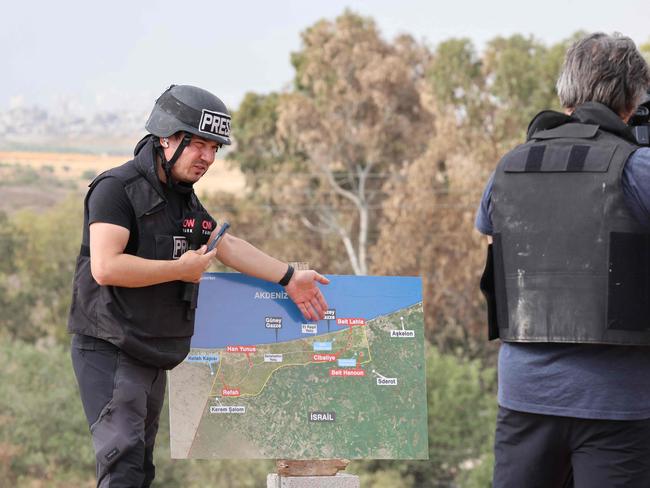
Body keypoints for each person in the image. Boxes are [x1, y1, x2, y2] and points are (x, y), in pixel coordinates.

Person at [68, 84, 330, 488]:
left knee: (139, 467)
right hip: (110, 346)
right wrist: (179, 270)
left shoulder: (182, 199)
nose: (208, 158)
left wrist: (289, 277)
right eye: (199, 145)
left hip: (151, 348)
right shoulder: (115, 190)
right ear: (166, 138)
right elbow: (106, 267)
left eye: (215, 149)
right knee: (121, 463)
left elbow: (226, 245)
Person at [476, 33, 650, 488]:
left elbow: (495, 252)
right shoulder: (636, 168)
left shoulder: (507, 168)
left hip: (524, 400)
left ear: (566, 91)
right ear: (633, 97)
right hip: (616, 404)